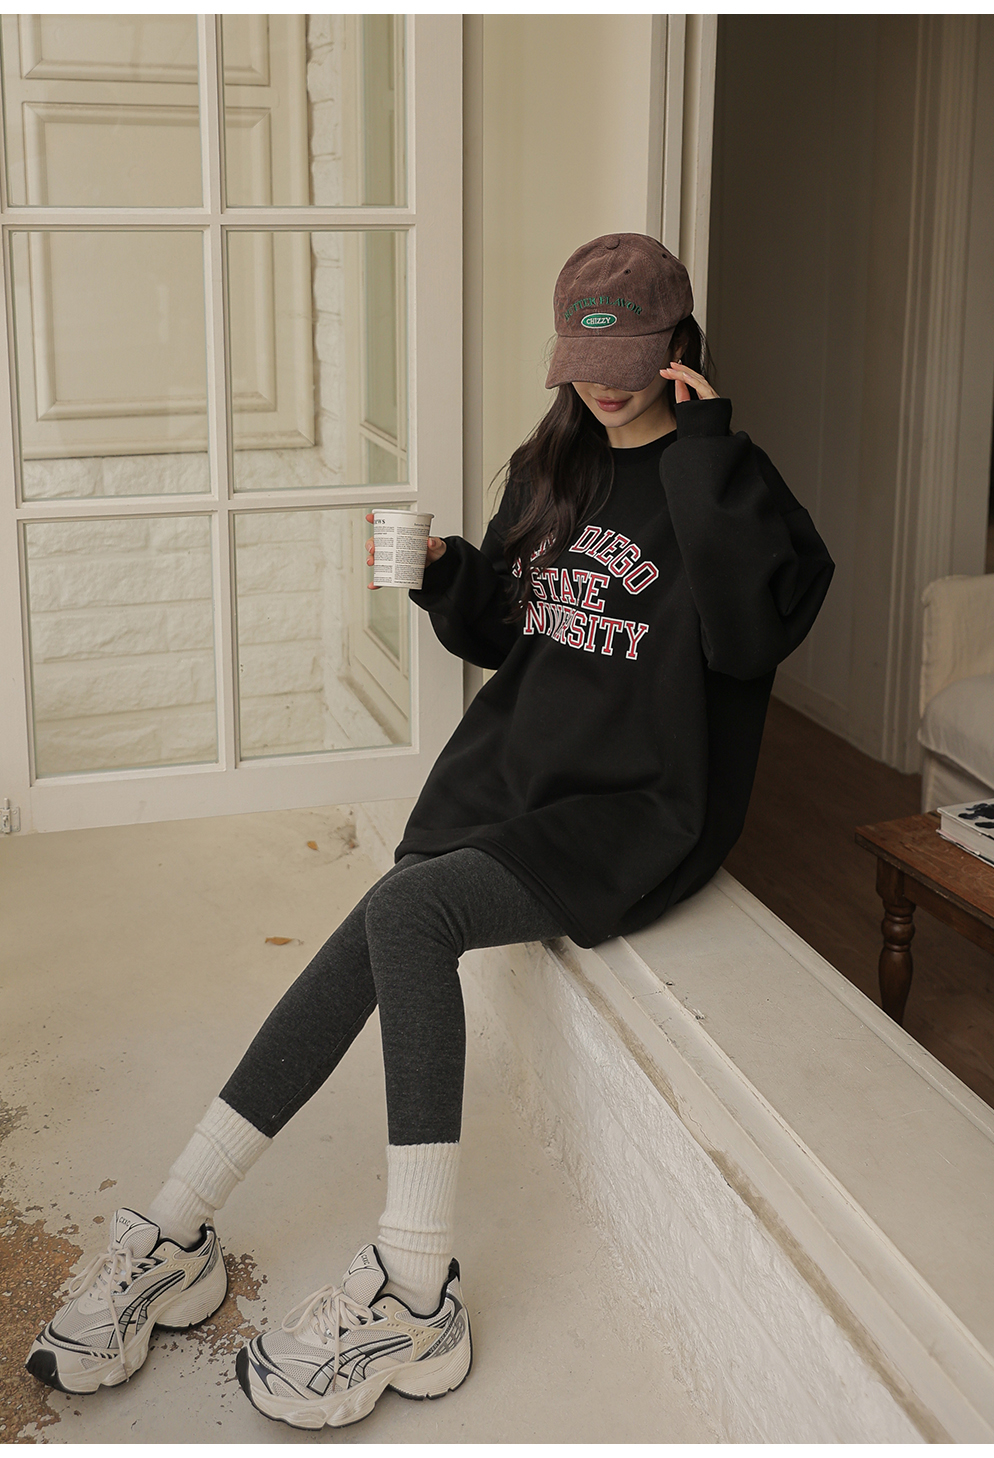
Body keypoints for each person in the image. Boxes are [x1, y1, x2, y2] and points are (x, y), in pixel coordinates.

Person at [25, 233, 834, 1431]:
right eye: (582, 364)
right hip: (510, 783)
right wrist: (450, 572)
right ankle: (176, 1228)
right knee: (384, 924)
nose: (601, 388)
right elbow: (506, 633)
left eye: (625, 362)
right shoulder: (552, 466)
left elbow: (747, 641)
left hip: (633, 812)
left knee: (406, 911)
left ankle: (414, 1290)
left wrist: (707, 454)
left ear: (678, 348)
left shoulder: (735, 487)